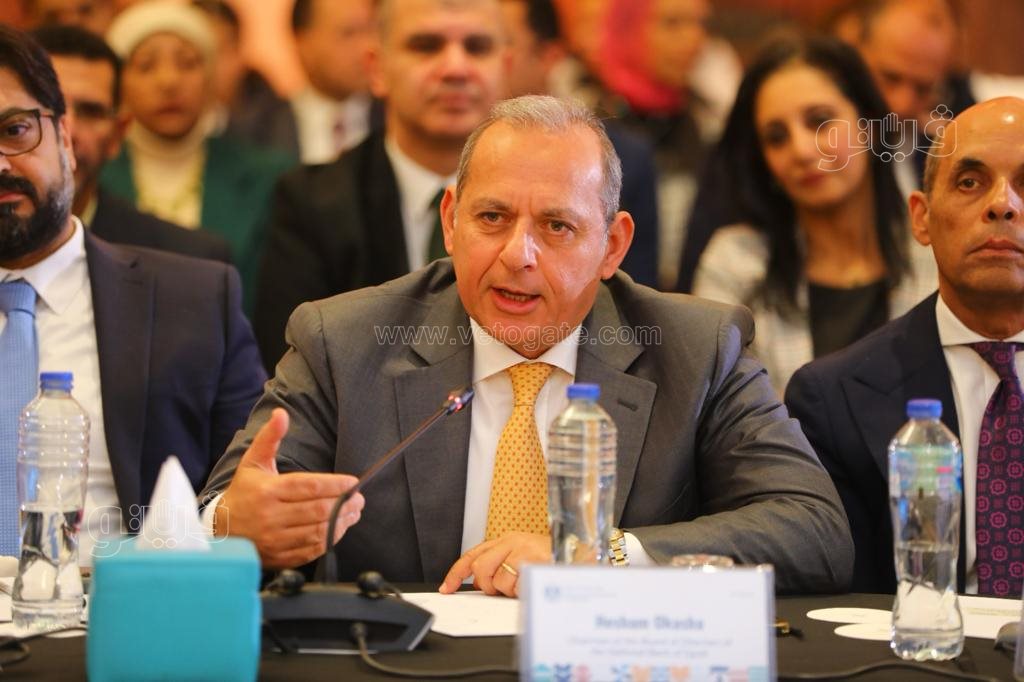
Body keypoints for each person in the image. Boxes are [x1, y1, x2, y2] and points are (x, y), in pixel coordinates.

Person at [202, 95, 854, 597]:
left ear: (613, 245)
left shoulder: (696, 348)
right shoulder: (343, 341)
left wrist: (598, 554)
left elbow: (813, 529)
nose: (519, 255)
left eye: (557, 226)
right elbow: (218, 509)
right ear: (450, 222)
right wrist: (231, 524)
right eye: (492, 218)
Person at [0, 25, 266, 563]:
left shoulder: (193, 300)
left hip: (120, 600)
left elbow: (244, 481)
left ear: (65, 139)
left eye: (16, 130)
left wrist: (227, 516)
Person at [786, 97, 1024, 597]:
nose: (1003, 204)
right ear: (921, 217)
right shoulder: (832, 398)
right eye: (970, 182)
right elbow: (843, 607)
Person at [253, 0, 506, 370]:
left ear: (506, 67)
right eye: (426, 45)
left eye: (477, 47)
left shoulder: (555, 200)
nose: (455, 68)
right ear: (376, 68)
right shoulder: (313, 203)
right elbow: (291, 369)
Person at [692, 36, 937, 395]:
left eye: (820, 121)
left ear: (869, 125)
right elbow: (714, 407)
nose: (802, 150)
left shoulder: (936, 250)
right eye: (776, 138)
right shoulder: (736, 263)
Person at [99, 0, 295, 311]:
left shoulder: (268, 176)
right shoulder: (96, 177)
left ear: (210, 76)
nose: (169, 81)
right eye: (146, 66)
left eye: (188, 63)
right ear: (119, 84)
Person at [32, 24, 231, 263]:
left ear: (118, 134)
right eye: (49, 109)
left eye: (91, 112)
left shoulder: (183, 260)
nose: (68, 133)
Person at [498, 0, 658, 289]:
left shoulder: (616, 157)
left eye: (500, 43)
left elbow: (636, 293)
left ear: (549, 56)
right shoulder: (451, 144)